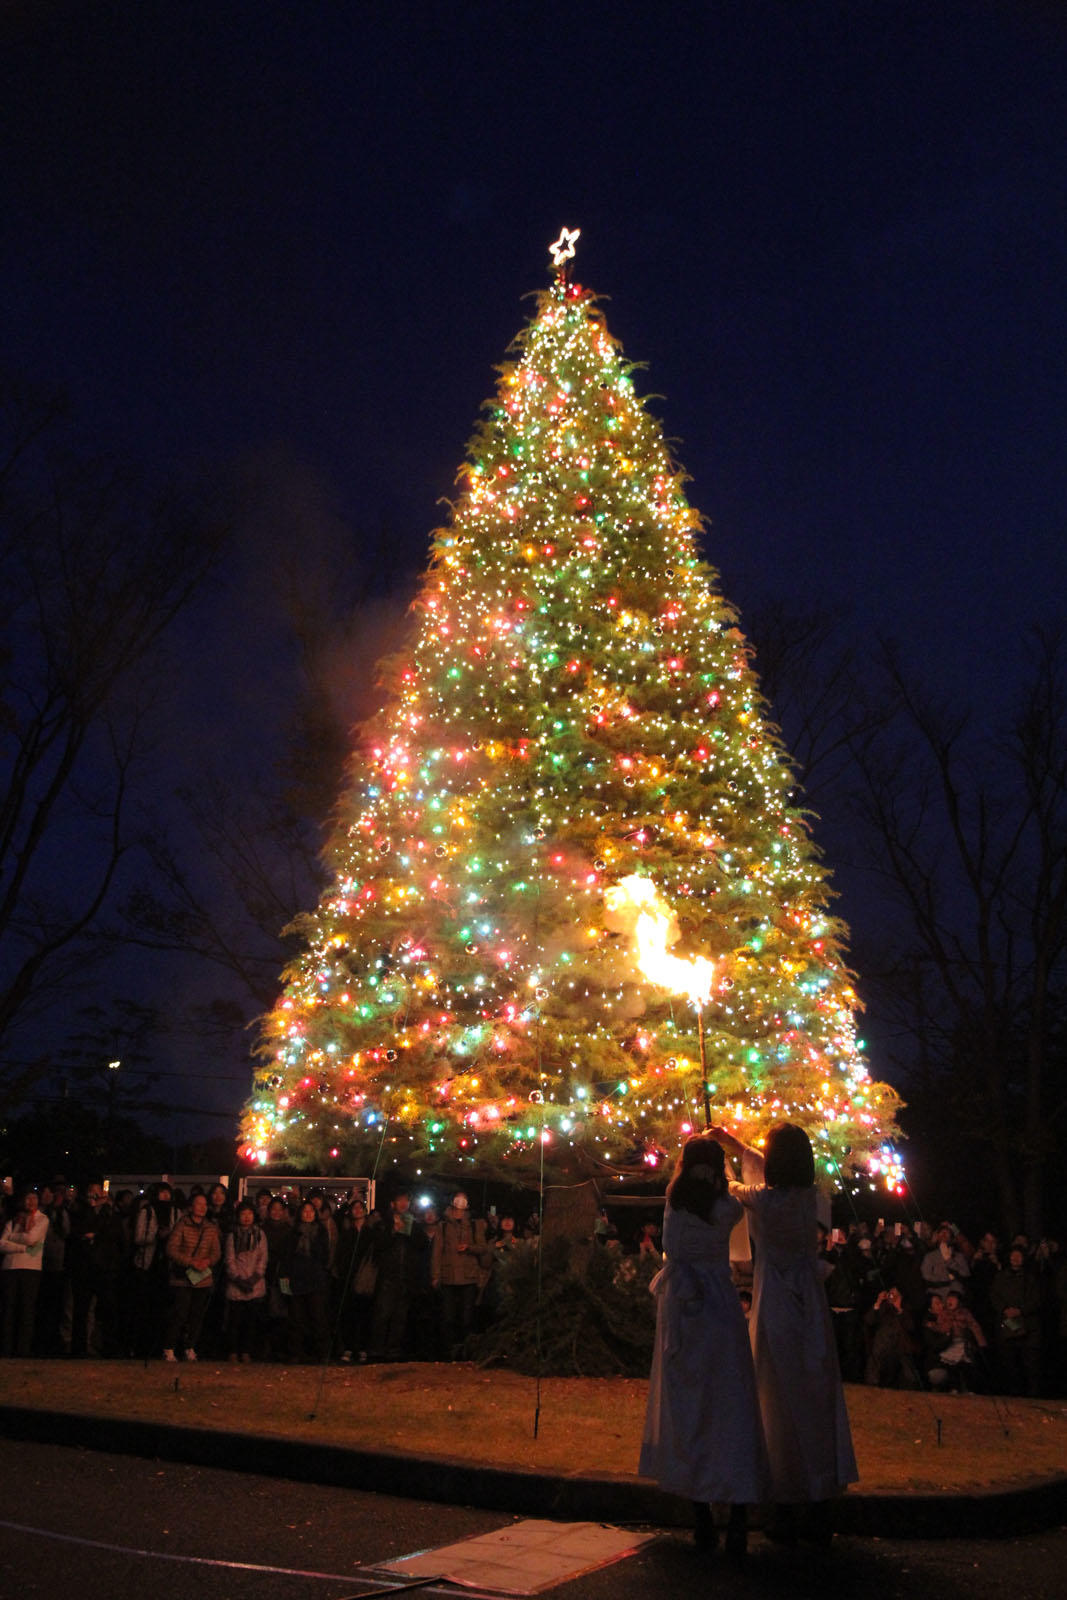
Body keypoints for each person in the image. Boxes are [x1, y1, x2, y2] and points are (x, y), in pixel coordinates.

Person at [710, 1122, 858, 1541]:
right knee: (813, 1393)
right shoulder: (805, 1198)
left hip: (776, 1301)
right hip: (809, 1303)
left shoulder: (765, 1201)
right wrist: (736, 1142)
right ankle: (817, 1493)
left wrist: (722, 1155)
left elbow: (733, 1185)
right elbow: (759, 1162)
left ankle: (783, 1493)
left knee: (775, 1394)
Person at [639, 1136, 767, 1557]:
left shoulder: (674, 1202)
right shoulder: (726, 1207)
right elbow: (742, 1191)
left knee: (687, 1405)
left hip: (681, 1311)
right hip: (717, 1307)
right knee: (729, 1404)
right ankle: (737, 1519)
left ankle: (701, 1518)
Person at [163, 1192, 222, 1361]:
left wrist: (207, 1261)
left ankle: (190, 1347)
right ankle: (169, 1347)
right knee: (179, 1313)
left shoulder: (211, 1228)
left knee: (197, 1314)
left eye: (205, 1204)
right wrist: (190, 1261)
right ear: (191, 1206)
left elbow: (216, 1252)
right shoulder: (182, 1225)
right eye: (199, 1203)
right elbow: (171, 1249)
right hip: (183, 1277)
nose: (202, 1207)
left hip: (202, 1277)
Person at [1, 1190, 49, 1356]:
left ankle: (23, 1350)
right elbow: (2, 1243)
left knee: (26, 1310)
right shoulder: (13, 1220)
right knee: (9, 1309)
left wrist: (12, 1238)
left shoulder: (42, 1219)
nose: (30, 1201)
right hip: (10, 1268)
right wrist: (21, 1246)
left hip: (31, 1269)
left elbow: (32, 1239)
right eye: (27, 1198)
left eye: (34, 1198)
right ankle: (7, 1349)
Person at [223, 1201, 268, 1361]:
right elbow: (229, 1259)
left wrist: (255, 1277)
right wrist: (238, 1279)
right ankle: (233, 1351)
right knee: (235, 1320)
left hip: (254, 1283)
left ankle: (247, 1351)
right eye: (243, 1214)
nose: (247, 1217)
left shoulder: (259, 1234)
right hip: (237, 1283)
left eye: (249, 1214)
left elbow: (263, 1258)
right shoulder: (232, 1235)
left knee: (251, 1321)